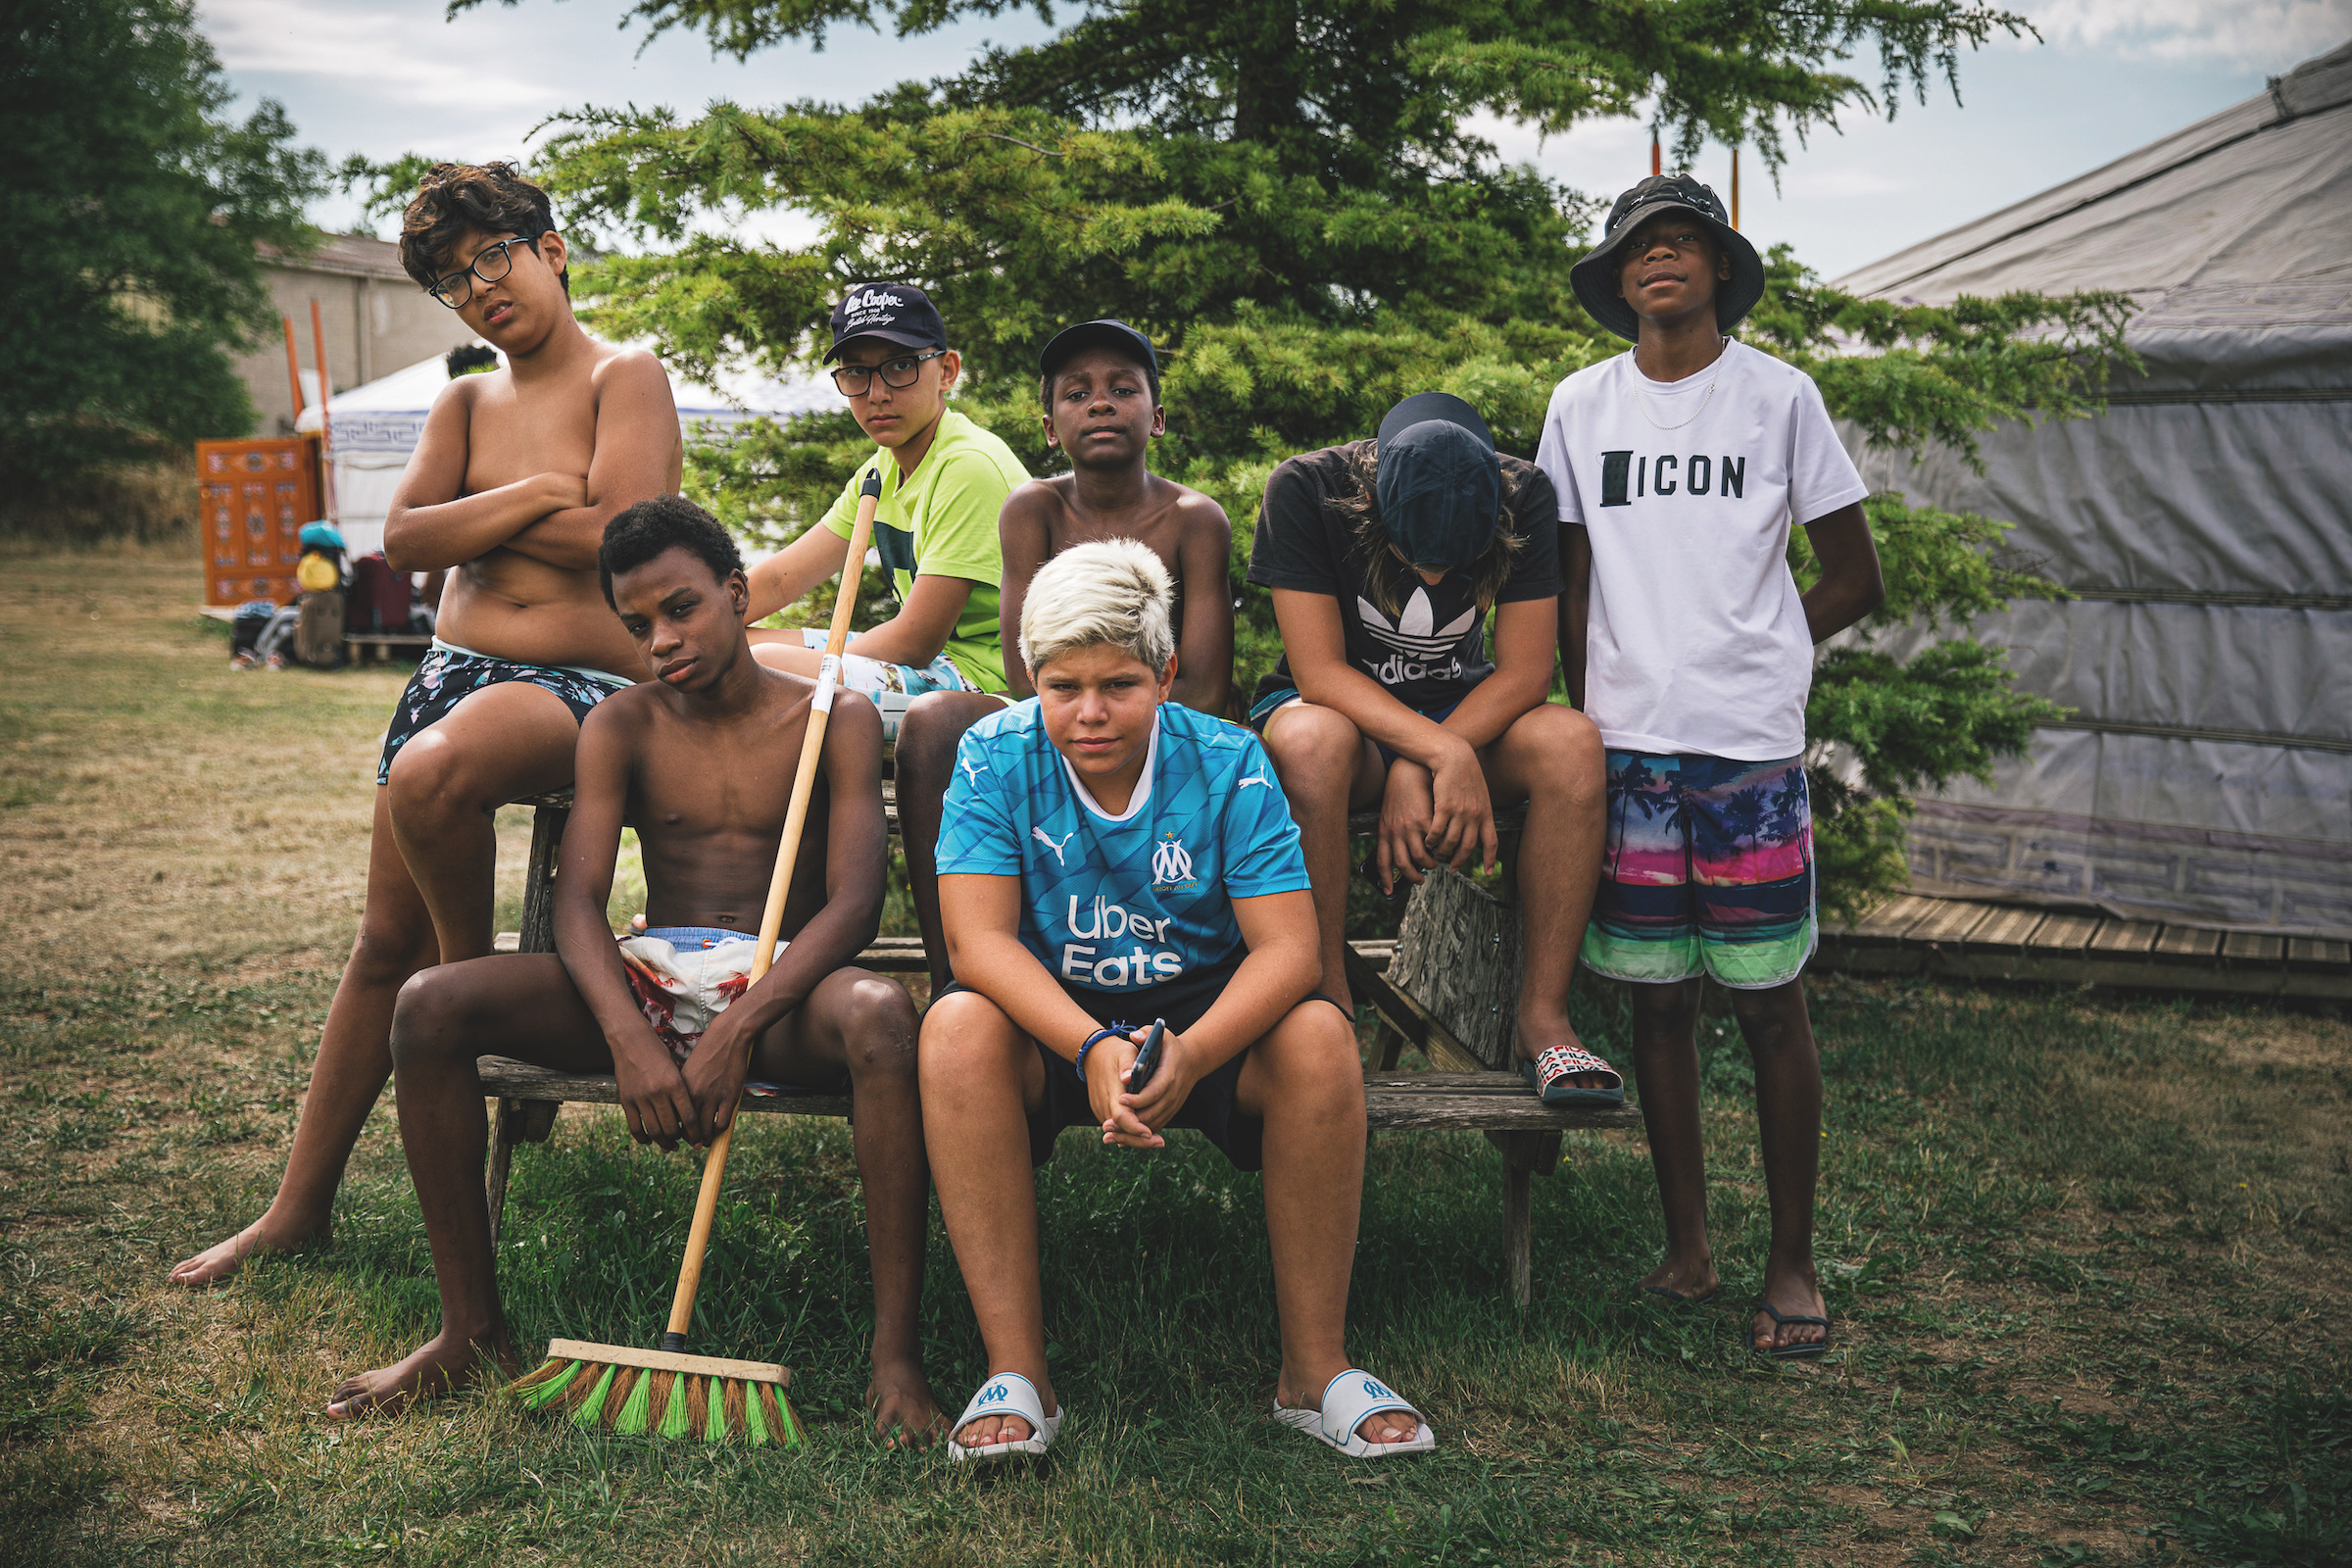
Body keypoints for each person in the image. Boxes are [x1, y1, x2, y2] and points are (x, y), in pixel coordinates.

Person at [325, 498, 944, 1444]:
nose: (662, 640)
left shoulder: (837, 720)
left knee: (881, 1016)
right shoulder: (621, 723)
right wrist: (631, 1042)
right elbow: (577, 904)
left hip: (782, 992)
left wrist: (740, 1026)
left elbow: (855, 903)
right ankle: (468, 1330)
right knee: (430, 1006)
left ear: (738, 596)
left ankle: (895, 1360)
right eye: (637, 625)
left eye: (682, 608)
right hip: (652, 977)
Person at [172, 162, 683, 1287]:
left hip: (579, 694)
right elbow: (403, 541)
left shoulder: (625, 374)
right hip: (451, 672)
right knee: (378, 942)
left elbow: (628, 538)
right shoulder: (464, 400)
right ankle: (296, 1208)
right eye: (454, 279)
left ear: (551, 247)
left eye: (493, 254)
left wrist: (487, 525)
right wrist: (550, 494)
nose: (480, 285)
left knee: (437, 775)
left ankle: (480, 995)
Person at [920, 541, 1432, 1463]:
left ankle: (1315, 1372)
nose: (1089, 712)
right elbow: (979, 943)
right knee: (955, 1026)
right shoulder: (994, 755)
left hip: (1202, 1010)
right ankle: (1017, 1374)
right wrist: (1087, 1047)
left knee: (1319, 1033)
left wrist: (1190, 1052)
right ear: (1032, 676)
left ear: (1165, 675)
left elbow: (1290, 949)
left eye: (1117, 684)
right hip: (1056, 1010)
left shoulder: (1229, 759)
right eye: (1062, 685)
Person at [1541, 173, 1886, 1359]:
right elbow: (1571, 577)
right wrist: (1593, 702)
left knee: (1768, 1002)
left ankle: (1790, 1262)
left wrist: (1768, 651)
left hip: (1744, 748)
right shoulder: (1581, 406)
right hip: (1628, 744)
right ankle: (1688, 1247)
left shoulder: (1780, 399)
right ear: (1618, 277)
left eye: (1684, 241)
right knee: (1655, 1001)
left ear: (1721, 270)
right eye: (1641, 245)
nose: (1662, 258)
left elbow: (1854, 572)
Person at [1247, 392, 1619, 1102]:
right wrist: (1437, 754)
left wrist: (1427, 755)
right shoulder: (1306, 488)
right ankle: (1325, 1012)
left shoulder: (1527, 494)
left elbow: (1525, 673)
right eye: (1414, 558)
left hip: (1466, 712)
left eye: (1459, 563)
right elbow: (1319, 673)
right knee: (1304, 742)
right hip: (1340, 715)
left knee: (1572, 742)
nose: (1437, 581)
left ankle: (1543, 1022)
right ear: (1372, 501)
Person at [895, 318, 1235, 993]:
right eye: (1077, 394)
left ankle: (1195, 971)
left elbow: (1203, 686)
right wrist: (1074, 719)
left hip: (1160, 720)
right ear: (1050, 427)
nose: (1100, 403)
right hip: (1054, 709)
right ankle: (955, 979)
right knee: (932, 722)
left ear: (1157, 417)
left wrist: (1119, 722)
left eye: (1122, 389)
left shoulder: (1196, 519)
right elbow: (1027, 669)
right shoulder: (1034, 508)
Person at [741, 283, 1020, 738]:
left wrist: (818, 663)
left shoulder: (969, 466)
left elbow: (915, 639)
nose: (877, 393)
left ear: (946, 371)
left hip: (985, 687)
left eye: (900, 367)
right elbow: (780, 579)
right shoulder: (883, 470)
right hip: (933, 666)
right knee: (738, 646)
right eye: (856, 373)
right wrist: (703, 624)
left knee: (762, 668)